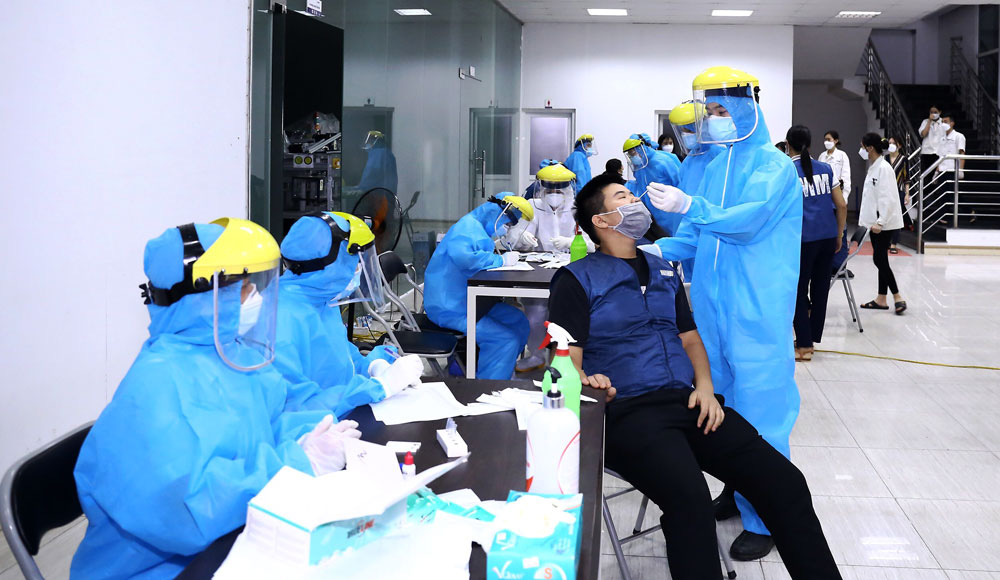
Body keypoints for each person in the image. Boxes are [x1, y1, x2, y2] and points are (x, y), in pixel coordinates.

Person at [549, 173, 841, 580]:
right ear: (601, 221)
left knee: (785, 483)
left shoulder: (663, 270)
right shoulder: (577, 279)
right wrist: (586, 380)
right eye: (623, 197)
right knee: (691, 502)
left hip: (687, 403)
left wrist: (705, 387)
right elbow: (564, 362)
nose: (636, 202)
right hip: (627, 412)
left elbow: (689, 339)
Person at [72, 219, 362, 579]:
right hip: (160, 569)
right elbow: (189, 512)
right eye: (242, 288)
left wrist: (314, 435)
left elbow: (266, 424)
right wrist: (295, 462)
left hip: (232, 542)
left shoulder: (230, 357)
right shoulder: (154, 388)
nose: (255, 298)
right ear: (202, 296)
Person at [642, 66, 803, 560]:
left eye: (719, 110)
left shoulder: (774, 168)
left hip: (757, 312)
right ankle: (736, 490)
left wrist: (690, 205)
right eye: (709, 110)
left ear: (747, 109)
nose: (713, 119)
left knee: (762, 415)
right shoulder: (715, 168)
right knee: (722, 410)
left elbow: (746, 223)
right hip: (713, 311)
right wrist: (651, 251)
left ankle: (766, 518)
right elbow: (695, 236)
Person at [274, 211, 425, 416]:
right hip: (318, 427)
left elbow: (341, 357)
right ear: (333, 265)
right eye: (354, 261)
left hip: (345, 414)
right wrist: (379, 387)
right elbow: (297, 407)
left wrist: (372, 366)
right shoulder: (279, 319)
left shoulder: (321, 299)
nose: (358, 269)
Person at [424, 193, 534, 379]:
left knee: (519, 321)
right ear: (497, 213)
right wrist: (501, 260)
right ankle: (490, 389)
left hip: (468, 301)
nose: (506, 228)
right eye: (507, 223)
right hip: (450, 307)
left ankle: (502, 371)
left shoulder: (479, 229)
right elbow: (466, 259)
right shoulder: (466, 228)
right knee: (504, 339)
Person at [503, 164, 595, 372]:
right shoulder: (533, 206)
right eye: (549, 189)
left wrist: (571, 242)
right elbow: (512, 239)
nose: (554, 194)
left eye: (559, 190)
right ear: (541, 189)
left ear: (568, 190)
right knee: (534, 316)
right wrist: (523, 237)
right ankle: (536, 356)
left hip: (572, 272)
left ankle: (570, 361)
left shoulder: (579, 208)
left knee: (571, 317)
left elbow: (593, 243)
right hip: (539, 272)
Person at [786, 126, 846, 362]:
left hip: (803, 241)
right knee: (820, 291)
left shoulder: (788, 171)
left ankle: (803, 345)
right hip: (827, 238)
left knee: (798, 290)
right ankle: (811, 338)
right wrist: (839, 235)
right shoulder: (826, 169)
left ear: (788, 144)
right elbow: (841, 205)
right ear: (810, 144)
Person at [667, 101, 726, 280]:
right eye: (683, 131)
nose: (686, 135)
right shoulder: (689, 159)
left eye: (689, 130)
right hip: (685, 228)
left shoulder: (719, 155)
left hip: (707, 229)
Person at [857, 133, 907, 315]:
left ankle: (897, 296)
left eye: (863, 146)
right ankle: (881, 298)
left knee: (878, 259)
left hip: (883, 223)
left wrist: (881, 221)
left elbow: (887, 197)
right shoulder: (875, 167)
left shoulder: (884, 168)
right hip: (876, 222)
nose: (861, 150)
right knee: (881, 259)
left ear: (870, 148)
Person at [624, 134, 683, 235]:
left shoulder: (662, 161)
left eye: (633, 152)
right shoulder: (639, 166)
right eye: (630, 154)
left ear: (642, 147)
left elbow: (680, 183)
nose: (633, 157)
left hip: (670, 212)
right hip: (651, 213)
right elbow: (641, 186)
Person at [818, 130, 853, 273]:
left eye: (829, 139)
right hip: (825, 200)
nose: (826, 142)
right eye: (825, 139)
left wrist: (843, 200)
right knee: (827, 232)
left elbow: (846, 179)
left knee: (841, 231)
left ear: (836, 140)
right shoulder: (822, 156)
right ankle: (826, 263)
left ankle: (840, 266)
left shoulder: (842, 156)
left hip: (838, 199)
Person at [936, 112, 968, 221]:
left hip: (952, 169)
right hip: (942, 169)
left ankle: (969, 211)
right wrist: (936, 171)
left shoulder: (958, 136)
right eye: (942, 122)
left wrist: (961, 170)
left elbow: (962, 153)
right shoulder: (942, 138)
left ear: (952, 123)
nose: (943, 124)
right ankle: (943, 217)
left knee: (954, 194)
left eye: (946, 121)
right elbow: (940, 156)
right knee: (943, 194)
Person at [887, 137, 913, 253]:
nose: (891, 145)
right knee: (886, 218)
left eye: (894, 143)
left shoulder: (903, 159)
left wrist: (907, 194)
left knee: (896, 218)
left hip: (898, 191)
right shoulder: (884, 158)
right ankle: (887, 241)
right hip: (885, 192)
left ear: (899, 145)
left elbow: (906, 178)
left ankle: (894, 243)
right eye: (890, 143)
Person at [356, 130, 398, 194]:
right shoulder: (385, 152)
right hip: (386, 193)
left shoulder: (378, 153)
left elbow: (372, 174)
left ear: (376, 141)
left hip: (378, 194)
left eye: (370, 140)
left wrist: (361, 188)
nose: (367, 143)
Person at [918, 105, 947, 175]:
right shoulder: (925, 122)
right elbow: (923, 134)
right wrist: (929, 121)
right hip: (927, 152)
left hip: (939, 153)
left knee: (938, 175)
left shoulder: (943, 122)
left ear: (940, 112)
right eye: (931, 112)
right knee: (927, 175)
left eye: (935, 112)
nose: (933, 114)